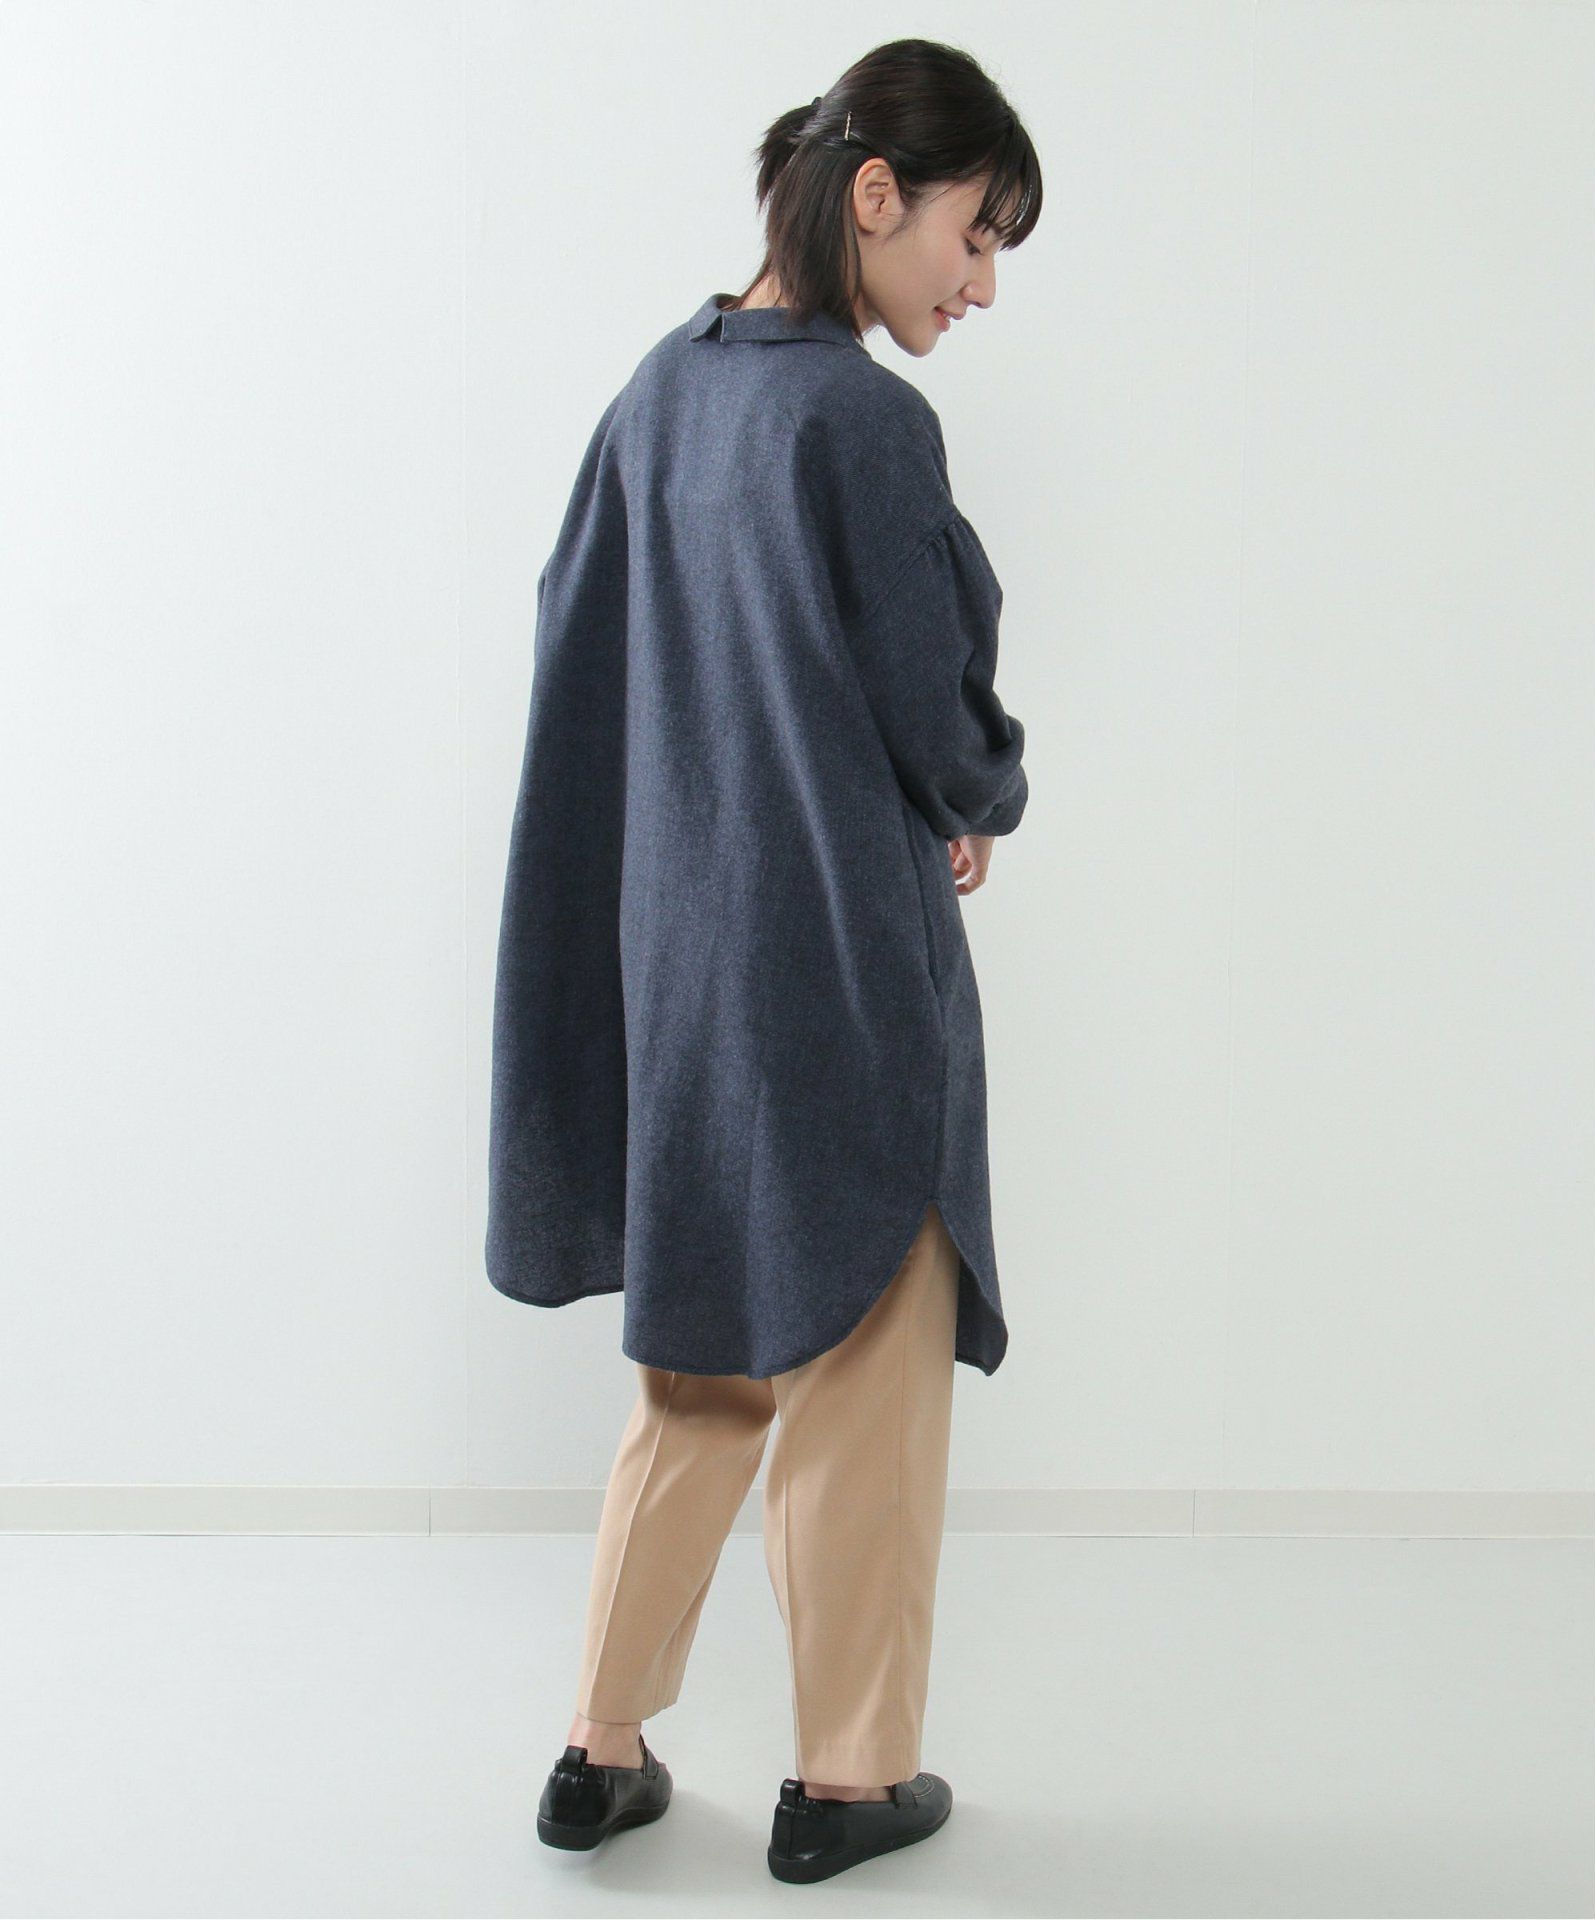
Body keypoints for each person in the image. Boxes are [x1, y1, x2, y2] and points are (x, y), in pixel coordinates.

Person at [486, 36, 1042, 1883]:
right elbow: (931, 698)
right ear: (876, 195)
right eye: (975, 235)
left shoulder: (658, 393)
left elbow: (587, 656)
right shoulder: (858, 421)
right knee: (866, 1366)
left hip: (686, 966)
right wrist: (980, 788)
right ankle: (850, 1782)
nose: (980, 285)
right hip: (840, 961)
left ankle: (599, 1750)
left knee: (698, 1374)